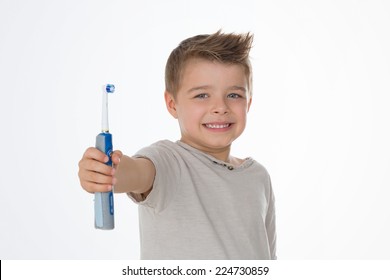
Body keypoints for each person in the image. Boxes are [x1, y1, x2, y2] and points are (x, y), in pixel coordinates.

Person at [78, 30, 276, 260]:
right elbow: (136, 172)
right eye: (202, 95)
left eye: (234, 95)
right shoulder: (168, 161)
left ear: (249, 103)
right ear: (172, 104)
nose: (220, 107)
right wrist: (105, 172)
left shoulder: (259, 177)